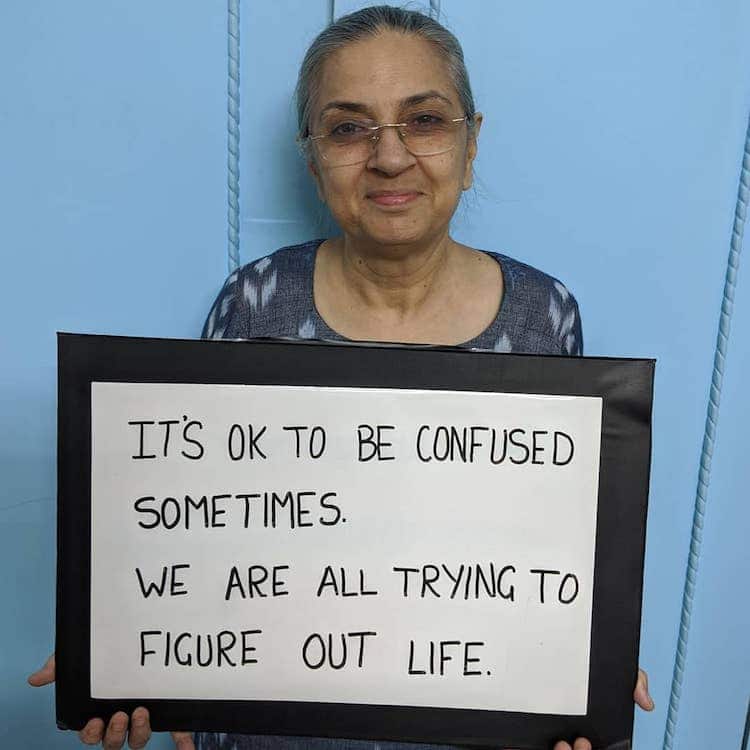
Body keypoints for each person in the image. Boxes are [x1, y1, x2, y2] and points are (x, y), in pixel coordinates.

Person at [29, 6, 654, 750]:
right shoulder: (254, 299)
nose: (389, 158)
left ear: (470, 140)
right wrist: (122, 645)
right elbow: (199, 528)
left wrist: (590, 660)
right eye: (350, 128)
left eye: (423, 120)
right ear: (312, 155)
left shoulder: (546, 315)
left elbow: (556, 551)